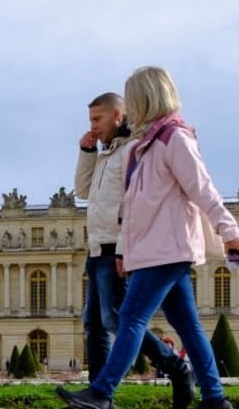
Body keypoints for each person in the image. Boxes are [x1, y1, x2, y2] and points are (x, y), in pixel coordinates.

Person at [58, 66, 239, 409]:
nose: (129, 107)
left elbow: (202, 189)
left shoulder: (175, 138)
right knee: (187, 326)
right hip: (152, 249)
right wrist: (125, 252)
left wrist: (230, 230)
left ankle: (101, 393)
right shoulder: (145, 146)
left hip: (168, 248)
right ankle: (215, 399)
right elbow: (132, 208)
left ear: (145, 98)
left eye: (132, 98)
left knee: (129, 318)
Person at [75, 92, 192, 409]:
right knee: (94, 324)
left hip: (117, 246)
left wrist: (126, 250)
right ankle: (96, 396)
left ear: (117, 115)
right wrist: (87, 151)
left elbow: (134, 205)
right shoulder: (105, 154)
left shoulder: (131, 151)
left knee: (117, 319)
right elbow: (83, 191)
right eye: (90, 120)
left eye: (97, 119)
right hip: (97, 245)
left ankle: (174, 366)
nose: (93, 126)